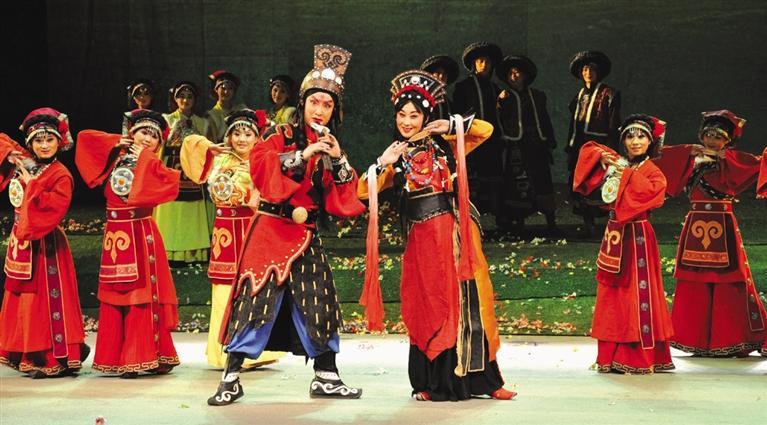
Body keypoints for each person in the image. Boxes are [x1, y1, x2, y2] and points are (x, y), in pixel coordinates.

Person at [207, 44, 365, 406]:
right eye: (315, 102)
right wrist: (302, 156)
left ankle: (326, 376)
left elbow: (343, 200)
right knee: (255, 299)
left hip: (306, 236)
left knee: (320, 300)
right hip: (271, 231)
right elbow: (262, 167)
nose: (320, 110)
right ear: (303, 103)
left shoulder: (330, 145)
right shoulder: (279, 136)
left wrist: (339, 160)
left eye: (328, 105)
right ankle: (230, 378)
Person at [358, 69, 516, 401]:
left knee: (470, 303)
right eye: (402, 115)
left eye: (414, 115)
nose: (407, 121)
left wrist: (453, 124)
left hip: (456, 237)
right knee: (432, 307)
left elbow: (485, 130)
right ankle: (433, 383)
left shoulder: (445, 145)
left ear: (426, 117)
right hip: (423, 243)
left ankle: (485, 381)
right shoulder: (396, 157)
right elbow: (361, 191)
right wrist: (382, 162)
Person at [76, 109, 181, 378]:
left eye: (154, 136)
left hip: (140, 233)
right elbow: (85, 139)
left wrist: (145, 157)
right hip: (115, 234)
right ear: (131, 133)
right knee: (114, 295)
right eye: (143, 132)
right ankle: (115, 357)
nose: (147, 139)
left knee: (139, 296)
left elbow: (170, 183)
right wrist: (114, 141)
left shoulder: (152, 163)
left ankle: (141, 356)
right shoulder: (115, 157)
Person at [654, 110, 766, 357]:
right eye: (709, 135)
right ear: (701, 136)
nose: (712, 141)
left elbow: (760, 163)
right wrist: (686, 151)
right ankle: (694, 339)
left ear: (727, 141)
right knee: (694, 279)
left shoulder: (731, 160)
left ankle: (731, 338)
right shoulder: (692, 157)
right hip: (696, 223)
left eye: (719, 137)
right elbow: (656, 156)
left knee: (728, 279)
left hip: (723, 224)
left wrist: (729, 158)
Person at [181, 108, 283, 369]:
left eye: (248, 134)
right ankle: (222, 352)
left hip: (251, 230)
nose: (241, 139)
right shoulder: (220, 160)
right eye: (236, 133)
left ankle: (254, 352)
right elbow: (189, 146)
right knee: (223, 288)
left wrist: (254, 197)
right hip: (225, 233)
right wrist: (208, 147)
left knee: (252, 288)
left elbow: (273, 193)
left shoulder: (262, 161)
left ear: (257, 137)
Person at [573, 114, 674, 373]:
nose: (635, 141)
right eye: (630, 136)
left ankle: (637, 356)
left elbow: (651, 194)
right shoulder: (618, 163)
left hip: (637, 236)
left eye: (641, 136)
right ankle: (609, 355)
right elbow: (589, 151)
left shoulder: (653, 172)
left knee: (636, 293)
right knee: (612, 293)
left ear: (651, 142)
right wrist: (603, 160)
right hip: (615, 234)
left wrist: (622, 171)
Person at [0, 108, 89, 378]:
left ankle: (54, 357)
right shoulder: (26, 162)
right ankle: (27, 354)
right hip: (22, 243)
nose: (44, 145)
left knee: (43, 301)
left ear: (59, 142)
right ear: (30, 143)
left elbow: (54, 208)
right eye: (38, 141)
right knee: (24, 300)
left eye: (50, 140)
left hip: (46, 244)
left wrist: (33, 186)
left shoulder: (60, 174)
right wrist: (9, 153)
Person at [496, 55, 559, 236]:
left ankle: (551, 223)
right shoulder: (504, 97)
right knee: (518, 183)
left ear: (524, 75)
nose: (514, 76)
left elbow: (545, 120)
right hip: (516, 146)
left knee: (543, 182)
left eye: (517, 72)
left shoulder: (538, 96)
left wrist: (549, 141)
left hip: (536, 145)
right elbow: (499, 121)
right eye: (510, 73)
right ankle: (520, 224)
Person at [156, 81, 212, 265]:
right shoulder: (165, 120)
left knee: (191, 211)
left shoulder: (202, 123)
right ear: (175, 98)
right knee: (170, 210)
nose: (185, 100)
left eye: (189, 97)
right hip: (171, 167)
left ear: (195, 100)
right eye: (181, 96)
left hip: (192, 171)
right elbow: (158, 145)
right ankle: (169, 251)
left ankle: (194, 253)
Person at [566, 50, 621, 236]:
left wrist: (610, 149)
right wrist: (571, 147)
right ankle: (588, 223)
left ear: (598, 72)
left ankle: (611, 224)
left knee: (603, 183)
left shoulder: (609, 94)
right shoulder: (579, 96)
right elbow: (573, 124)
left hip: (600, 145)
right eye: (584, 70)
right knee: (583, 184)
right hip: (581, 147)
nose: (588, 73)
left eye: (592, 69)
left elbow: (614, 123)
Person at [453, 42, 503, 216]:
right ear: (474, 64)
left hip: (492, 140)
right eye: (480, 61)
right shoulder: (463, 87)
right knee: (473, 181)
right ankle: (473, 219)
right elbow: (458, 114)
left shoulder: (495, 88)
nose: (484, 64)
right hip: (472, 140)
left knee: (493, 179)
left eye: (487, 61)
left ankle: (498, 218)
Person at [206, 70, 248, 143]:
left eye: (230, 88)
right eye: (223, 88)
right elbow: (212, 143)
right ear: (216, 90)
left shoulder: (242, 109)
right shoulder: (212, 115)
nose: (226, 92)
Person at [420, 55, 459, 121]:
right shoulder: (420, 98)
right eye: (438, 73)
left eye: (444, 74)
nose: (441, 76)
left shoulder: (448, 103)